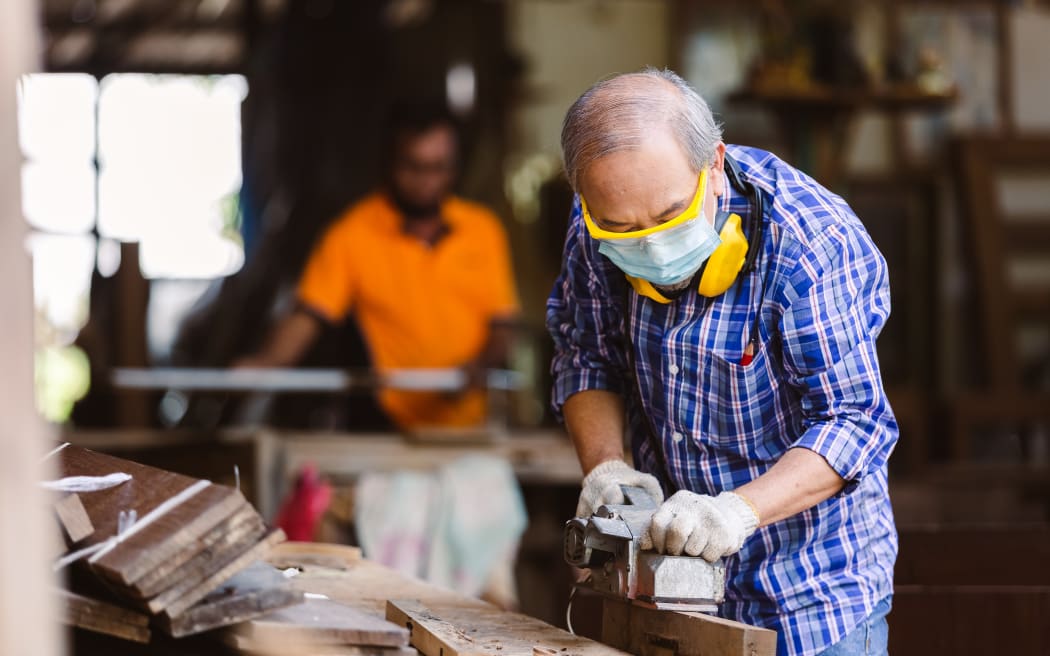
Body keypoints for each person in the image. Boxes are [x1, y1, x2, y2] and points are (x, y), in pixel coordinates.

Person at [547, 69, 897, 656]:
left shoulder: (810, 242)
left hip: (810, 594)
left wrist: (738, 511)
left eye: (669, 216)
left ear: (713, 162)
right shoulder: (594, 224)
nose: (650, 243)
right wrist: (607, 468)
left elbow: (854, 422)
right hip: (664, 589)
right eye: (625, 228)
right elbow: (587, 357)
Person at [239, 105, 519, 430]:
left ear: (455, 167)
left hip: (471, 425)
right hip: (386, 426)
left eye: (438, 167)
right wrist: (264, 364)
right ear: (390, 163)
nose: (427, 180)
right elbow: (309, 315)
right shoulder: (352, 234)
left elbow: (503, 322)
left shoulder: (483, 230)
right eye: (414, 166)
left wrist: (478, 368)